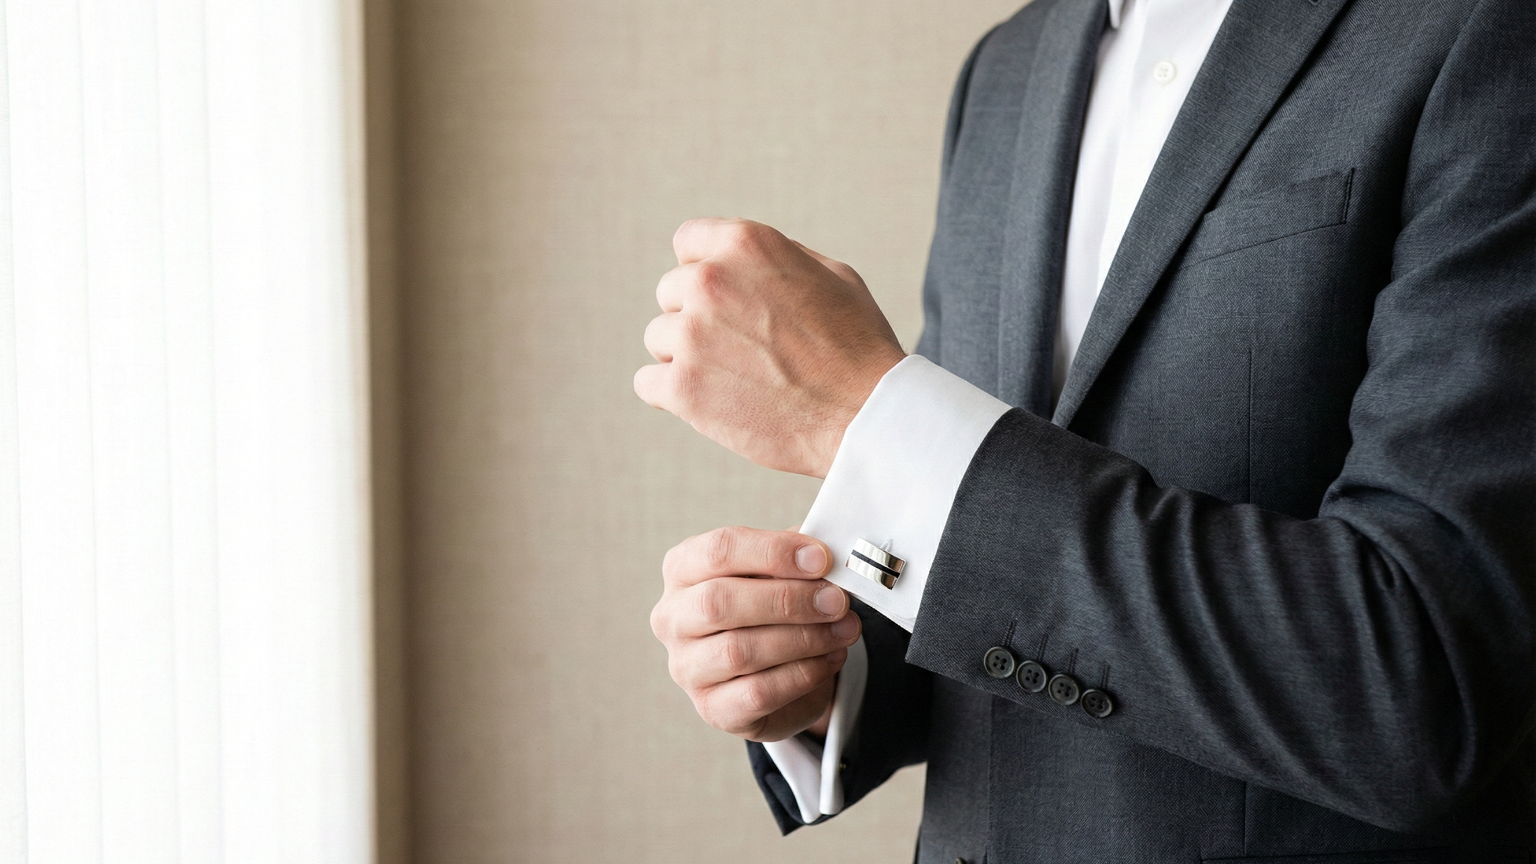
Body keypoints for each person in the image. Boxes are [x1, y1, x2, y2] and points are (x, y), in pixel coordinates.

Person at [635, 0, 1536, 860]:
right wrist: (829, 677)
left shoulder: (1485, 29)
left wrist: (864, 410)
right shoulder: (1005, 69)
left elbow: (1430, 680)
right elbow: (985, 548)